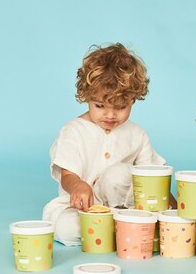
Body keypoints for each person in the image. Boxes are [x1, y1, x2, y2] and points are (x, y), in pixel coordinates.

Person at [42, 43, 171, 246]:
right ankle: (121, 229)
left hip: (125, 207)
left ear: (133, 100)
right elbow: (67, 175)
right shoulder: (73, 131)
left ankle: (120, 224)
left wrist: (172, 212)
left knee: (118, 174)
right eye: (100, 106)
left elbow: (154, 177)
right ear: (86, 98)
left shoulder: (137, 134)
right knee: (65, 228)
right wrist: (78, 186)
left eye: (120, 107)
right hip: (83, 207)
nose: (110, 115)